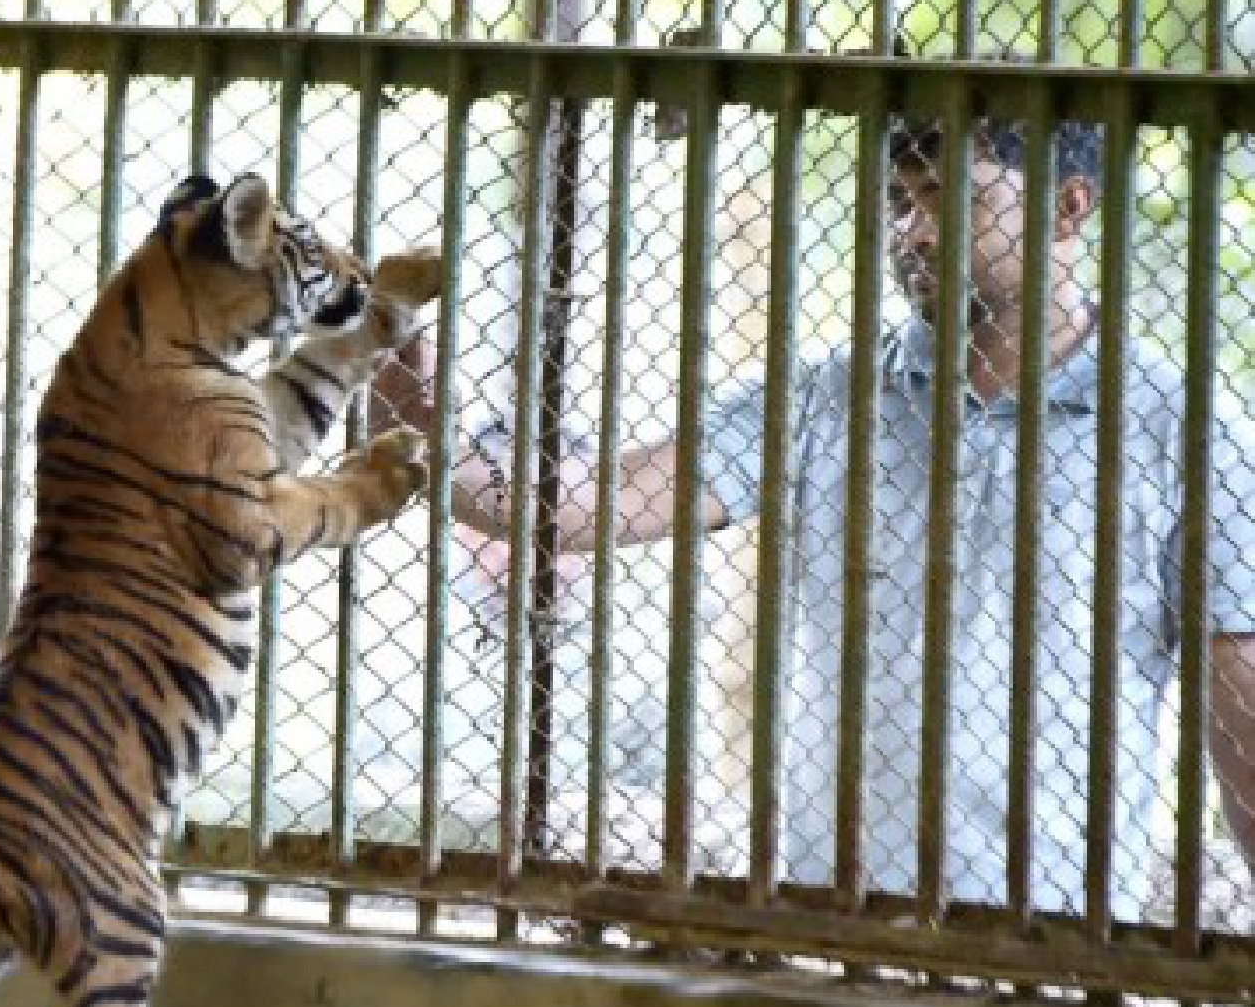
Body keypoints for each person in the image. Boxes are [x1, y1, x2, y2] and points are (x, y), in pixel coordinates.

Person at [371, 112, 1255, 917]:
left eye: (947, 196)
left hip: (1056, 929)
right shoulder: (826, 398)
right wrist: (396, 385)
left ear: (1069, 208)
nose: (911, 231)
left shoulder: (1179, 427)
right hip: (831, 917)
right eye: (899, 201)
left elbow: (1240, 701)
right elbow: (572, 511)